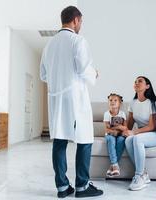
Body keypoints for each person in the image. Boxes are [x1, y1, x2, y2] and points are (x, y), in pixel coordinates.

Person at [40, 6, 103, 198]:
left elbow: (43, 75)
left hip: (56, 99)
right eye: (81, 22)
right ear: (75, 20)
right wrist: (95, 73)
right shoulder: (78, 40)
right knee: (84, 140)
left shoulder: (48, 45)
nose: (81, 25)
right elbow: (84, 69)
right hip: (75, 99)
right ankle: (82, 187)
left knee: (59, 141)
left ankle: (62, 187)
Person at [124, 76, 156, 191]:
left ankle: (139, 176)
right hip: (142, 134)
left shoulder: (153, 103)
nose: (136, 83)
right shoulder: (133, 102)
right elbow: (129, 123)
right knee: (128, 140)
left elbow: (152, 126)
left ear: (147, 86)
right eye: (135, 81)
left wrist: (134, 132)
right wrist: (122, 131)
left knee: (137, 139)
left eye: (140, 81)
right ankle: (144, 174)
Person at [103, 93, 128, 177]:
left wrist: (118, 127)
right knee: (110, 139)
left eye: (115, 100)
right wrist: (114, 130)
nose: (112, 102)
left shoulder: (122, 114)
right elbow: (106, 129)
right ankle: (115, 164)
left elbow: (125, 128)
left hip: (120, 134)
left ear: (120, 103)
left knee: (121, 140)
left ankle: (112, 166)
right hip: (110, 134)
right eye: (110, 100)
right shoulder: (107, 114)